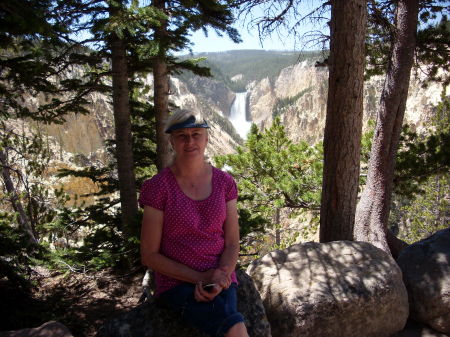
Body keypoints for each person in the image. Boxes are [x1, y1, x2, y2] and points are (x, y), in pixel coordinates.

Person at [139, 109, 249, 337]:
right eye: (182, 136)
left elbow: (231, 243)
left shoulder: (224, 182)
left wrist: (220, 275)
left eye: (196, 134)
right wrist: (202, 278)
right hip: (177, 281)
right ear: (172, 141)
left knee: (228, 321)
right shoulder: (158, 188)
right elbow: (149, 255)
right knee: (233, 325)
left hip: (221, 274)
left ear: (207, 138)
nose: (190, 141)